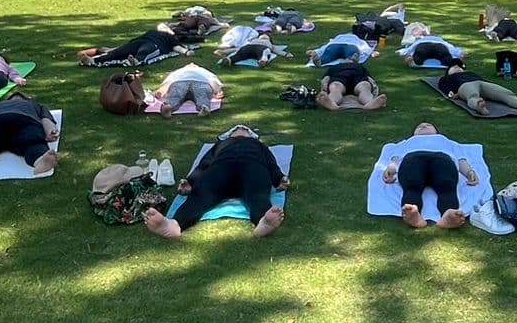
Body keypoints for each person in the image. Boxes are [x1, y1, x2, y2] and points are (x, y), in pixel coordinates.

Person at [144, 125, 286, 239]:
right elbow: (204, 163)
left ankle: (263, 221)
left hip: (253, 166)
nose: (241, 130)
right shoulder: (221, 144)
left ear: (251, 135)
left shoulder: (258, 145)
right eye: (237, 129)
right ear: (229, 134)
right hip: (222, 167)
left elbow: (271, 163)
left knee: (258, 194)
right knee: (201, 195)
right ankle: (174, 225)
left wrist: (279, 178)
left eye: (245, 129)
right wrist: (191, 182)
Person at [381, 122, 480, 228]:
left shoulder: (445, 140)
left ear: (436, 132)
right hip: (413, 159)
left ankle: (449, 214)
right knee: (412, 186)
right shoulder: (408, 142)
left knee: (447, 186)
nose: (423, 126)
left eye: (428, 125)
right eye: (419, 127)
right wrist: (391, 169)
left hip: (442, 159)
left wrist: (469, 172)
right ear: (414, 134)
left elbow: (460, 159)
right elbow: (396, 158)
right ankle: (413, 213)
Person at [437, 58, 517, 117]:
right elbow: (446, 89)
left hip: (481, 83)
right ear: (448, 72)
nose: (457, 67)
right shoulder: (445, 79)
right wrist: (451, 93)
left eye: (459, 66)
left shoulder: (470, 72)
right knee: (472, 95)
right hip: (464, 86)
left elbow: (484, 81)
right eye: (453, 67)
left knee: (506, 93)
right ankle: (478, 106)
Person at [80, 25, 190, 66]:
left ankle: (136, 61)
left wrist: (186, 52)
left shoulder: (170, 37)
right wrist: (112, 49)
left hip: (154, 45)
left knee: (145, 51)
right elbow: (129, 43)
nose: (164, 27)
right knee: (117, 53)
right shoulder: (151, 32)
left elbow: (177, 47)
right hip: (140, 41)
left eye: (166, 27)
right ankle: (93, 61)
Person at [149, 61, 225, 113]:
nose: (191, 63)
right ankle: (204, 107)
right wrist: (217, 91)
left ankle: (169, 106)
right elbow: (212, 80)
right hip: (201, 83)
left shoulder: (178, 71)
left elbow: (170, 82)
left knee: (175, 96)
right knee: (202, 96)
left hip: (180, 82)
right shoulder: (203, 70)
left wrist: (160, 91)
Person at [320, 59, 386, 110]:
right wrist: (324, 85)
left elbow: (369, 78)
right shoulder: (334, 67)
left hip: (358, 78)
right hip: (340, 78)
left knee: (364, 87)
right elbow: (326, 78)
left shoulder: (359, 66)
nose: (347, 59)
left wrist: (372, 85)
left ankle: (370, 103)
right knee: (336, 88)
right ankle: (331, 103)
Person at [307, 32, 376, 68]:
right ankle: (350, 60)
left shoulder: (338, 37)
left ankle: (320, 61)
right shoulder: (357, 39)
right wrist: (371, 51)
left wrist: (316, 51)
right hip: (351, 45)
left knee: (328, 55)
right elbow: (365, 47)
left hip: (335, 45)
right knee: (352, 53)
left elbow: (326, 46)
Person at [401, 34, 467, 67]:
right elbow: (452, 48)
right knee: (446, 57)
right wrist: (460, 53)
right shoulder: (442, 41)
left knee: (419, 56)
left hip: (424, 45)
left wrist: (404, 51)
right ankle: (455, 62)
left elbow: (411, 47)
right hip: (440, 46)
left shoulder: (421, 40)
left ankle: (413, 61)